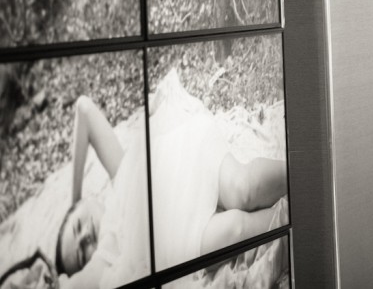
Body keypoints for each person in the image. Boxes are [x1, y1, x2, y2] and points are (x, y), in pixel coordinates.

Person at [54, 69, 287, 288]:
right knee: (235, 229)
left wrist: (73, 202)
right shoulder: (107, 257)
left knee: (243, 187)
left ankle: (304, 172)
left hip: (183, 169)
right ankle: (303, 215)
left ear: (83, 203)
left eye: (77, 226)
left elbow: (84, 108)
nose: (86, 235)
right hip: (180, 238)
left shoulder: (119, 172)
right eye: (82, 252)